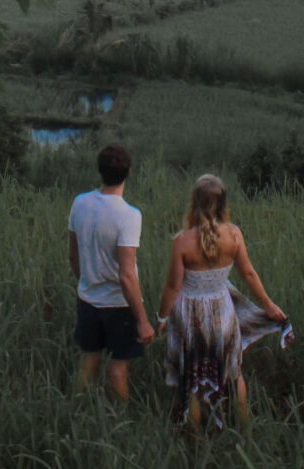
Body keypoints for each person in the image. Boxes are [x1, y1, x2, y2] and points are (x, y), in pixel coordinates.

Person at [157, 174, 292, 429]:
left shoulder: (182, 242)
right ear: (223, 204)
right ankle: (244, 428)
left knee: (192, 380)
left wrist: (161, 318)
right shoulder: (234, 235)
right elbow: (249, 274)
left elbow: (173, 286)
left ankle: (195, 441)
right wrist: (269, 306)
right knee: (234, 374)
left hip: (190, 315)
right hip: (222, 312)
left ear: (194, 203)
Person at [68, 144, 155, 400]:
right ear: (128, 173)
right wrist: (142, 320)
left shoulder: (80, 203)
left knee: (88, 361)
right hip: (118, 305)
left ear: (100, 170)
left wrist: (87, 282)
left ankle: (77, 412)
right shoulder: (129, 215)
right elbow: (126, 275)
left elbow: (73, 255)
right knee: (118, 368)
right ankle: (119, 423)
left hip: (87, 299)